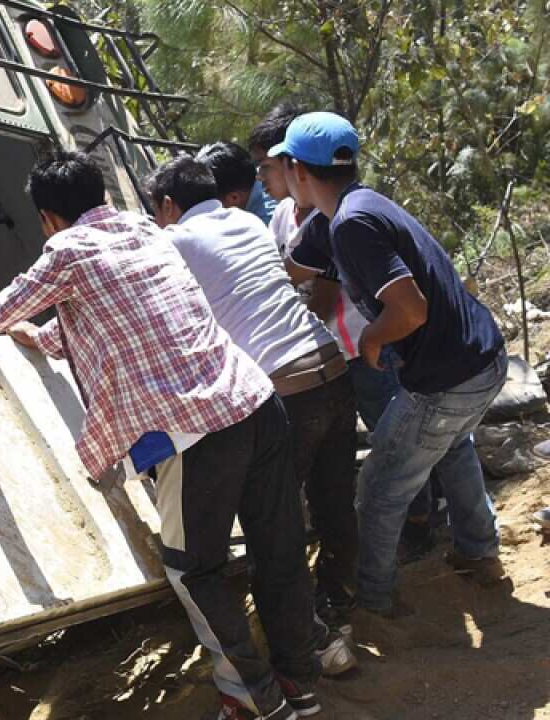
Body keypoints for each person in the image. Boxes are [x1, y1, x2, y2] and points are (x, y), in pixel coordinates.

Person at [0, 152, 322, 720]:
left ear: (48, 218)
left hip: (196, 430)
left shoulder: (66, 251)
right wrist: (46, 338)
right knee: (277, 548)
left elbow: (8, 303)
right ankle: (301, 682)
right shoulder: (147, 231)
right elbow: (128, 314)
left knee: (193, 569)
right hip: (255, 400)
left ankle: (253, 699)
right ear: (101, 195)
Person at [275, 112, 509, 619]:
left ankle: (374, 600)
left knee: (380, 487)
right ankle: (478, 553)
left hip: (447, 380)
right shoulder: (349, 210)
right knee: (452, 448)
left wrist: (373, 339)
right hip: (482, 359)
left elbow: (411, 310)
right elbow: (288, 268)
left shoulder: (352, 224)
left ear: (298, 169)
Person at [147, 155, 361, 644]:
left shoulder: (173, 241)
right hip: (329, 365)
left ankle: (307, 641)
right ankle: (342, 605)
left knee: (273, 529)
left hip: (283, 388)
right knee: (334, 501)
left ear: (167, 205)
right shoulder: (248, 222)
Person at [251, 106, 439, 560]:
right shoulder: (283, 218)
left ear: (295, 165)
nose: (262, 178)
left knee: (391, 440)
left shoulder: (338, 216)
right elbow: (284, 273)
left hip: (360, 347)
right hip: (330, 352)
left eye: (267, 167)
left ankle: (420, 522)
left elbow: (326, 287)